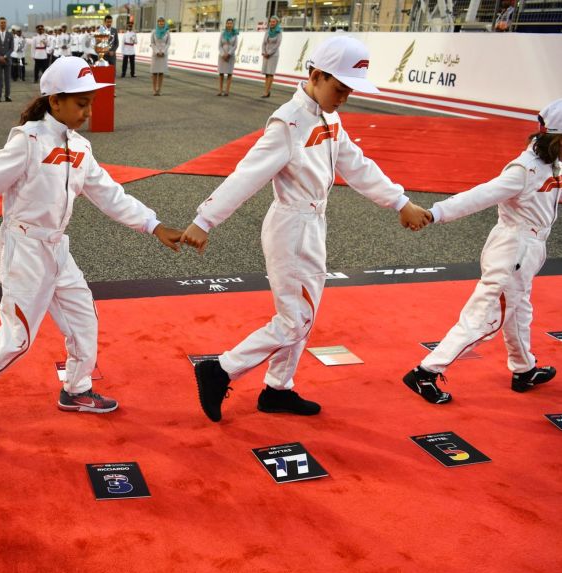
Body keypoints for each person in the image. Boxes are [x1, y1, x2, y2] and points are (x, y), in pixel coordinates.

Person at [0, 57, 185, 437]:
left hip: (58, 249)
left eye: (90, 102)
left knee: (84, 321)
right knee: (17, 340)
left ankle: (76, 389)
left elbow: (109, 194)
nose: (87, 111)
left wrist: (154, 225)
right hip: (24, 249)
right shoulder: (26, 140)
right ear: (54, 101)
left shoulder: (81, 147)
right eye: (81, 103)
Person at [181, 37, 432, 421]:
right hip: (292, 228)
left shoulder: (329, 116)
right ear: (316, 75)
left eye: (350, 91)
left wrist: (400, 202)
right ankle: (219, 370)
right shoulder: (290, 122)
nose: (345, 97)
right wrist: (205, 219)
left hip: (312, 225)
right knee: (294, 319)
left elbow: (356, 164)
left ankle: (278, 389)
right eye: (340, 88)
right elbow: (247, 174)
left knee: (304, 315)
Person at [403, 99, 562, 404]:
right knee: (485, 318)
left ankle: (523, 369)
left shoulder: (552, 163)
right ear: (556, 137)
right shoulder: (524, 170)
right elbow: (480, 195)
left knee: (519, 310)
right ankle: (424, 372)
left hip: (527, 251)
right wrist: (436, 213)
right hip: (512, 250)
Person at [0, 17, 13, 103]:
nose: (3, 24)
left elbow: (11, 48)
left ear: (6, 24)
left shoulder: (10, 35)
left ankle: (7, 95)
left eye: (4, 23)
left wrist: (5, 56)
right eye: (1, 23)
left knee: (7, 79)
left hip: (7, 60)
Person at [261, 17, 282, 98]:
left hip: (273, 55)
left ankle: (267, 92)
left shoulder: (279, 32)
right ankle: (266, 91)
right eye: (271, 22)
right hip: (265, 54)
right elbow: (263, 43)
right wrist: (264, 52)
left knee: (270, 73)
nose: (272, 23)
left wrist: (269, 53)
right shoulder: (267, 31)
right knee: (266, 73)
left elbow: (277, 44)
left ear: (277, 23)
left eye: (274, 22)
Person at [150, 17, 170, 96]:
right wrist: (157, 51)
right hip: (155, 54)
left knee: (161, 72)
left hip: (164, 54)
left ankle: (160, 89)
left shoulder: (167, 32)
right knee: (154, 73)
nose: (161, 23)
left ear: (164, 23)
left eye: (162, 22)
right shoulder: (154, 32)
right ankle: (154, 90)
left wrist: (163, 51)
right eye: (159, 22)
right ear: (157, 23)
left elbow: (168, 43)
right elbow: (152, 43)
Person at [218, 19, 238, 97]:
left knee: (229, 73)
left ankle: (227, 91)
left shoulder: (235, 34)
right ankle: (220, 90)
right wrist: (223, 54)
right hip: (222, 56)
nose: (229, 25)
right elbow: (219, 45)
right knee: (221, 73)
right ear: (226, 24)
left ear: (232, 25)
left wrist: (229, 54)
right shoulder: (222, 34)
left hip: (230, 56)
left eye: (231, 23)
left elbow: (235, 46)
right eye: (228, 23)